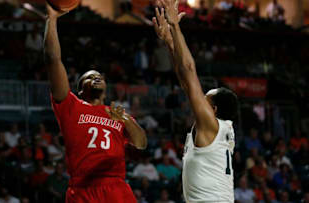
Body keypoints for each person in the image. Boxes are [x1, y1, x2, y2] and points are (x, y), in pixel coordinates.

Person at [43, 3, 147, 203]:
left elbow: (141, 143)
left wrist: (125, 119)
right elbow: (52, 59)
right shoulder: (70, 106)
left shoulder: (116, 113)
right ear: (80, 90)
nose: (97, 77)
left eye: (100, 76)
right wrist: (52, 18)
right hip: (83, 188)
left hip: (115, 186)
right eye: (90, 77)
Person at [153, 0, 238, 202]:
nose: (198, 98)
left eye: (205, 98)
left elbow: (190, 72)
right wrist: (170, 43)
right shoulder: (217, 129)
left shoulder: (212, 125)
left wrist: (175, 27)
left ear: (214, 110)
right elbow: (186, 81)